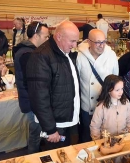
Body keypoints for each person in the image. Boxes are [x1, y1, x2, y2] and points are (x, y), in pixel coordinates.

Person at [26, 21, 80, 150]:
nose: (75, 45)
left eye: (76, 41)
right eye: (72, 41)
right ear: (59, 36)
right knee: (55, 161)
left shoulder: (64, 52)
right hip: (56, 125)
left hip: (67, 119)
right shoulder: (41, 56)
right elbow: (39, 97)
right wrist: (50, 129)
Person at [13, 21, 50, 154]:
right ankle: (33, 159)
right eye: (46, 37)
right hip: (32, 101)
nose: (47, 40)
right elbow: (32, 83)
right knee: (36, 133)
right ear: (36, 35)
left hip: (32, 99)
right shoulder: (27, 53)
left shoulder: (27, 50)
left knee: (38, 133)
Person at [77, 29, 118, 142]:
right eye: (98, 42)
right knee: (86, 135)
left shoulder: (111, 56)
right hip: (87, 107)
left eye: (104, 42)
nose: (102, 45)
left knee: (105, 136)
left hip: (106, 105)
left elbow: (116, 80)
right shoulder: (80, 56)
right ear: (89, 42)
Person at [90, 75, 130, 140]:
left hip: (123, 139)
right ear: (109, 90)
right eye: (117, 90)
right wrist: (97, 141)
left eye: (122, 89)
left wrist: (129, 136)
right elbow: (95, 126)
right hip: (106, 141)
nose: (121, 92)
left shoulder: (126, 102)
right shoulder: (101, 106)